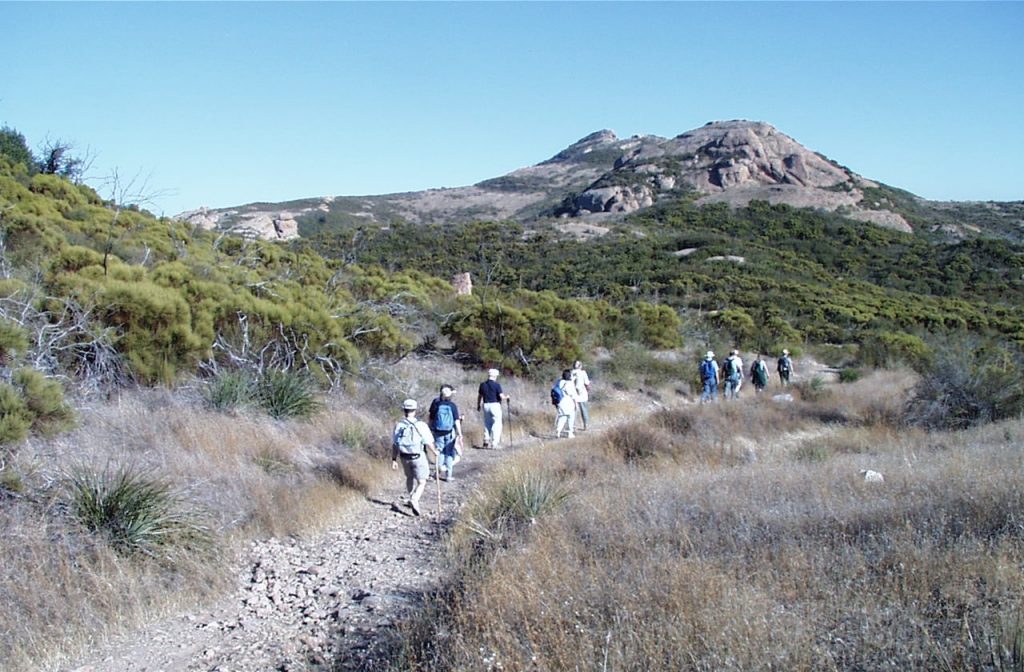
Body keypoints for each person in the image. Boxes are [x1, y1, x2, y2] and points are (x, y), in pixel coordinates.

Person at [391, 399, 437, 517]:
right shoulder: (421, 425)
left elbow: (395, 444)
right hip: (418, 456)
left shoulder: (399, 425)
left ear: (404, 410)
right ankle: (415, 499)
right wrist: (435, 452)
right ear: (415, 410)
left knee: (409, 477)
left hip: (404, 457)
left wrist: (394, 460)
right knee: (422, 481)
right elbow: (428, 442)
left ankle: (411, 497)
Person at [428, 384, 463, 481]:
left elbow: (431, 418)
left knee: (439, 451)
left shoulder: (436, 404)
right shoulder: (452, 406)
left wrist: (430, 428)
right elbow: (456, 421)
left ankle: (437, 472)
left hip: (438, 432)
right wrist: (460, 433)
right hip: (449, 432)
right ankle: (448, 475)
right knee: (449, 453)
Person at [476, 368, 508, 449]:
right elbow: (501, 396)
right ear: (494, 376)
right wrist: (507, 397)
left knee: (487, 423)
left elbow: (480, 396)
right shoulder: (497, 385)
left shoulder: (482, 385)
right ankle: (494, 443)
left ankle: (486, 440)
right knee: (497, 424)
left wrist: (478, 405)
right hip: (495, 405)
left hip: (486, 405)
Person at [553, 369, 580, 438]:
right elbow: (573, 395)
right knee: (571, 417)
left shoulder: (559, 382)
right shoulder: (569, 383)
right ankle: (570, 433)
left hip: (560, 402)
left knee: (562, 416)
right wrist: (576, 404)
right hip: (568, 401)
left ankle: (558, 431)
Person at [571, 360, 592, 430]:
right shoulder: (583, 373)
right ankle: (586, 425)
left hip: (573, 394)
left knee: (573, 410)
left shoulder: (571, 373)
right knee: (584, 409)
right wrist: (588, 390)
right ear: (580, 366)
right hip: (582, 393)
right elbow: (587, 384)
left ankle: (572, 425)